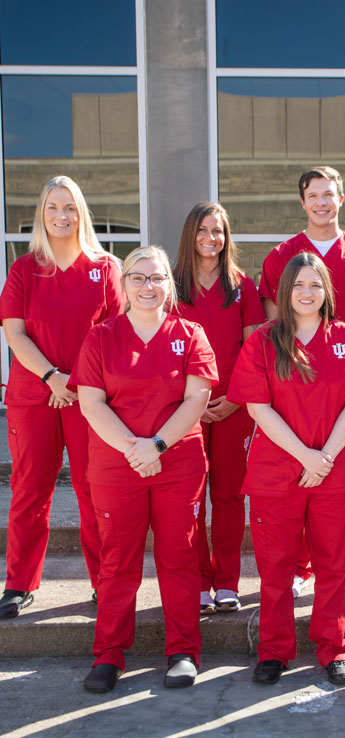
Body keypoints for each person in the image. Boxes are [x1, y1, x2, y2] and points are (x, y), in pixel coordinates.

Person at [71, 245, 217, 693]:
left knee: (180, 557)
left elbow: (197, 399)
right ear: (123, 284)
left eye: (156, 278)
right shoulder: (101, 337)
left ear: (169, 285)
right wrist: (135, 450)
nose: (147, 286)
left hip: (178, 462)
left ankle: (183, 651)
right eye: (137, 277)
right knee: (117, 561)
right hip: (117, 465)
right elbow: (91, 401)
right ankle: (109, 654)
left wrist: (156, 445)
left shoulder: (190, 334)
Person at [230, 252, 345, 687]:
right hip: (277, 473)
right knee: (276, 568)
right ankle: (274, 650)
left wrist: (324, 457)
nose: (307, 292)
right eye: (298, 284)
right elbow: (258, 407)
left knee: (333, 565)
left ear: (327, 290)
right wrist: (305, 456)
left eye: (315, 284)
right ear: (285, 291)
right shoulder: (264, 340)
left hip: (333, 471)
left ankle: (334, 648)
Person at [0, 176, 123, 619]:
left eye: (69, 207)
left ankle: (104, 581)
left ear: (81, 213)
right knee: (30, 490)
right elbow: (14, 333)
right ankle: (19, 584)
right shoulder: (24, 268)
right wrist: (52, 377)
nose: (61, 215)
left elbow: (115, 334)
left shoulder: (105, 268)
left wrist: (76, 384)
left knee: (94, 492)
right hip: (35, 396)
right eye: (52, 207)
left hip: (88, 399)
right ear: (41, 213)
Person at [259, 166, 345, 601]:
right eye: (313, 195)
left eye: (329, 194)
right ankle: (300, 566)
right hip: (293, 383)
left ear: (341, 199)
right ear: (303, 202)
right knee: (298, 465)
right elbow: (275, 323)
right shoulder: (282, 255)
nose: (322, 202)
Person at [173, 202, 265, 614]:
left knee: (228, 496)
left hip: (232, 406)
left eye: (218, 231)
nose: (210, 238)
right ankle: (197, 581)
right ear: (190, 234)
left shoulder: (241, 285)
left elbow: (253, 346)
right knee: (190, 497)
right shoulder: (171, 284)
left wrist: (237, 398)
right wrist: (191, 402)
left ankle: (227, 582)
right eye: (203, 230)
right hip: (183, 408)